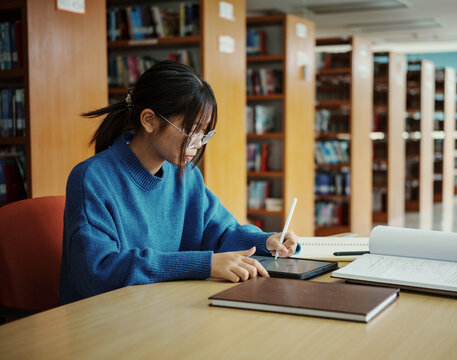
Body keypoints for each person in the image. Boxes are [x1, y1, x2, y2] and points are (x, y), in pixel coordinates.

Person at [59, 60, 299, 305]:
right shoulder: (92, 178)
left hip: (162, 311)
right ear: (149, 120)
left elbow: (221, 232)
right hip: (105, 320)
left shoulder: (187, 176)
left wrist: (265, 241)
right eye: (191, 131)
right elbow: (97, 271)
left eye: (205, 133)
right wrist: (203, 264)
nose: (198, 144)